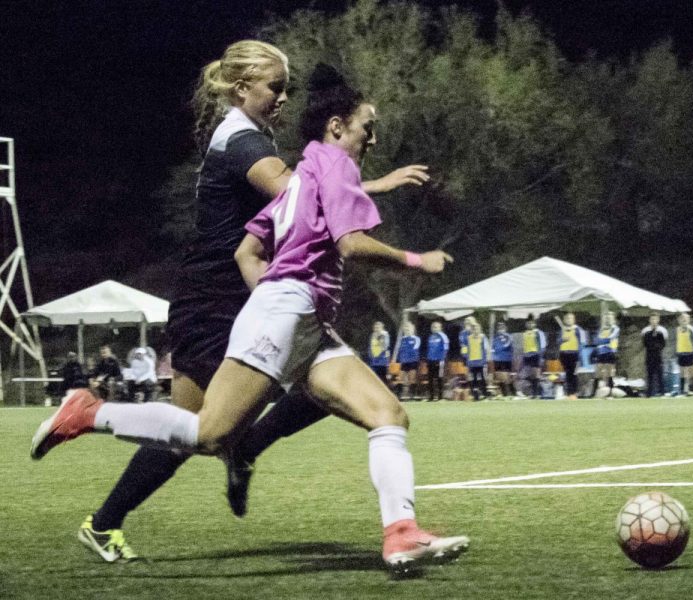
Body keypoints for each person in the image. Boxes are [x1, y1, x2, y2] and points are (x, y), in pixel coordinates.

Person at [32, 63, 469, 574]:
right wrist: (418, 260)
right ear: (336, 126)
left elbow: (248, 250)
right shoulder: (322, 163)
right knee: (209, 434)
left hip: (296, 315)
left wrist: (274, 290)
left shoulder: (306, 171)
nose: (372, 137)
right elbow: (351, 244)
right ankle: (90, 413)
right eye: (366, 127)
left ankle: (401, 534)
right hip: (275, 310)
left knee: (387, 414)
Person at [555, 312, 587, 400]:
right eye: (567, 318)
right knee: (567, 374)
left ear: (574, 320)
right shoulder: (562, 330)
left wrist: (579, 355)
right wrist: (563, 340)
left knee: (574, 374)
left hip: (575, 354)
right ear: (564, 320)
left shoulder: (578, 330)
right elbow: (558, 342)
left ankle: (574, 393)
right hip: (564, 354)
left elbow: (583, 343)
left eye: (570, 318)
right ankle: (568, 393)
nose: (569, 320)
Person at [592, 312, 620, 398]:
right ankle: (594, 393)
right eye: (607, 317)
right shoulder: (602, 329)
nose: (608, 319)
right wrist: (601, 341)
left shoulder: (615, 328)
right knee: (597, 373)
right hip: (601, 353)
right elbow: (596, 340)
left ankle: (610, 393)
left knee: (609, 373)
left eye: (610, 317)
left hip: (610, 352)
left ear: (613, 319)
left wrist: (602, 340)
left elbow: (610, 338)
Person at [674, 313, 693, 396]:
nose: (683, 320)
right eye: (682, 319)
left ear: (688, 320)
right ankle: (682, 391)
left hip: (690, 353)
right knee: (682, 373)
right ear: (679, 320)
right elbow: (676, 342)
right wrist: (676, 353)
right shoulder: (677, 330)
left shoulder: (692, 330)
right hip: (681, 354)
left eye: (685, 319)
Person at [641, 313, 667, 397]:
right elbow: (645, 343)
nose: (654, 321)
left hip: (658, 356)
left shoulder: (662, 331)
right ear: (649, 320)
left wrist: (655, 346)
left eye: (655, 319)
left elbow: (663, 344)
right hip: (649, 356)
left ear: (658, 320)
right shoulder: (645, 331)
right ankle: (649, 393)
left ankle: (662, 393)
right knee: (650, 375)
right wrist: (653, 346)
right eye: (652, 319)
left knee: (660, 375)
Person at [522, 316, 547, 398]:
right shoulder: (525, 333)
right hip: (527, 356)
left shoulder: (538, 332)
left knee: (535, 375)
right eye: (528, 323)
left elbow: (542, 345)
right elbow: (524, 345)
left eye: (531, 323)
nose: (530, 324)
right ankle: (533, 392)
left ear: (534, 323)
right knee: (530, 375)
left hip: (536, 355)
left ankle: (536, 393)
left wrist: (541, 356)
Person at [424, 321, 449, 401]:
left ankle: (440, 397)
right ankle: (431, 397)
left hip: (439, 360)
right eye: (433, 327)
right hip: (431, 360)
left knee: (439, 378)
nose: (434, 328)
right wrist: (428, 358)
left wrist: (442, 358)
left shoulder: (443, 336)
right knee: (430, 378)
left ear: (440, 328)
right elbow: (429, 349)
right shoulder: (431, 337)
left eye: (436, 327)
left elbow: (445, 348)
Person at [465, 321, 490, 400]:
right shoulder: (469, 338)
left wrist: (486, 360)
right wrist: (467, 360)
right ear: (472, 330)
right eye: (474, 329)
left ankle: (485, 394)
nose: (475, 330)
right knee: (473, 379)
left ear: (479, 329)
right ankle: (476, 395)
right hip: (472, 362)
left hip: (481, 362)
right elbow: (467, 350)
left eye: (477, 329)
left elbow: (486, 349)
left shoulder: (483, 337)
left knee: (482, 378)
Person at [396, 322, 421, 400]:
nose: (407, 329)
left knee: (412, 379)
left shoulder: (416, 339)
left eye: (409, 328)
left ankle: (412, 395)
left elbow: (414, 349)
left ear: (412, 329)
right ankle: (398, 395)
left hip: (412, 361)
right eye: (405, 328)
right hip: (404, 361)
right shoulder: (401, 339)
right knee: (400, 378)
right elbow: (399, 350)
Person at [491, 321, 514, 397]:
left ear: (505, 328)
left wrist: (497, 349)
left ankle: (512, 392)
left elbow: (507, 345)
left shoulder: (508, 336)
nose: (500, 329)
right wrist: (493, 351)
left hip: (506, 359)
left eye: (502, 327)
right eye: (499, 327)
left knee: (506, 377)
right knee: (499, 377)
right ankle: (504, 393)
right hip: (497, 359)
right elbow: (493, 347)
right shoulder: (495, 337)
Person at [368, 321, 392, 385]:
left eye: (378, 327)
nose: (376, 329)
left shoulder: (385, 335)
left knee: (384, 378)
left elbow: (386, 347)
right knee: (375, 378)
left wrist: (387, 360)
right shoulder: (372, 336)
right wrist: (370, 356)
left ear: (382, 327)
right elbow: (370, 347)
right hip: (374, 361)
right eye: (375, 327)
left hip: (383, 361)